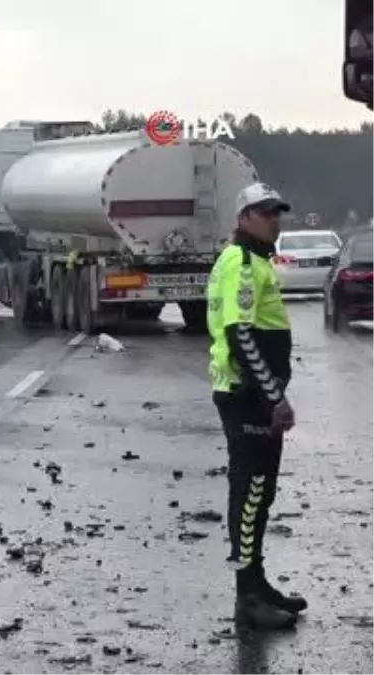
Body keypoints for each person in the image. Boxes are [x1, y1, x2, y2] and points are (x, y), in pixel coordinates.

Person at [206, 182, 304, 630]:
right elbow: (240, 335)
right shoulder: (241, 262)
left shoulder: (256, 261)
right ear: (244, 217)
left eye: (277, 213)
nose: (275, 221)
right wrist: (274, 398)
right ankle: (247, 597)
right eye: (266, 214)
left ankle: (257, 581)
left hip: (256, 396)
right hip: (246, 398)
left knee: (260, 495)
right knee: (249, 494)